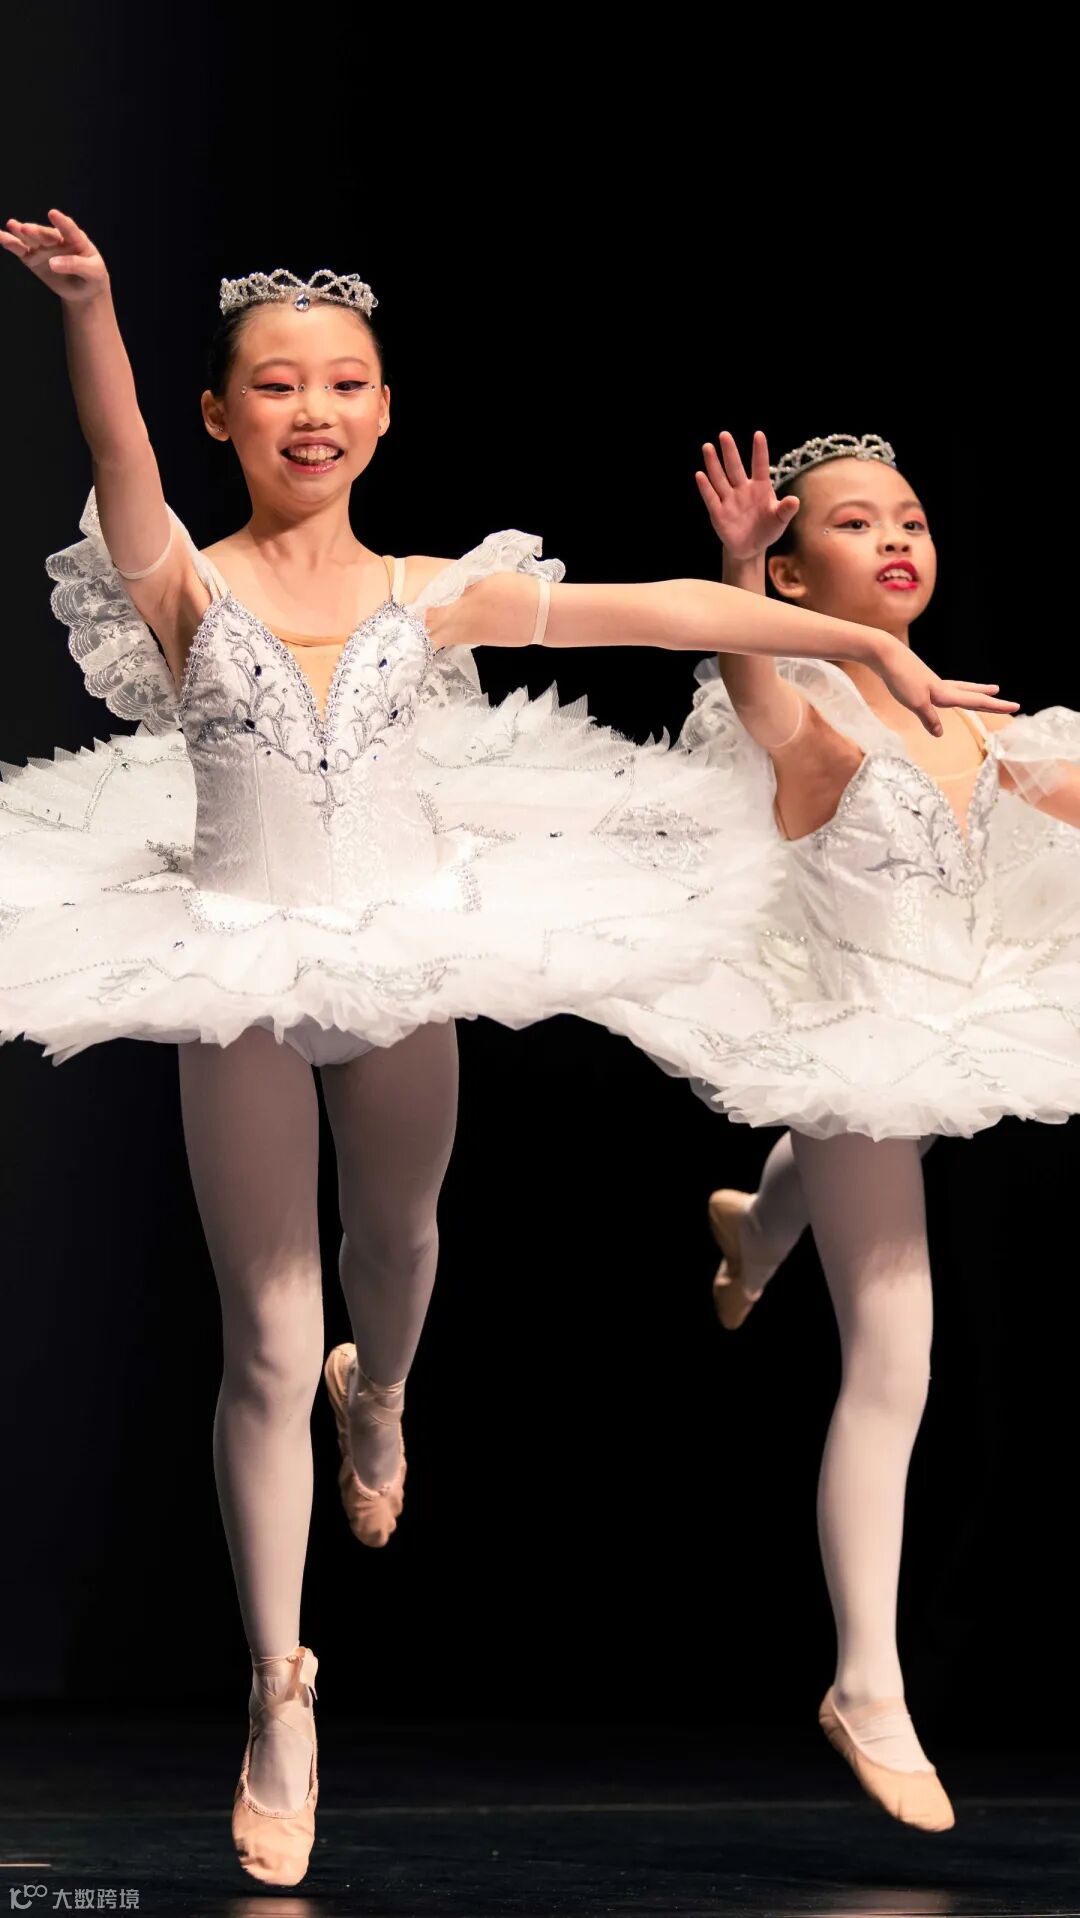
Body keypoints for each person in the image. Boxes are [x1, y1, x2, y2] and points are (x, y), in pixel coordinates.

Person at [0, 213, 1015, 1886]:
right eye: (276, 385)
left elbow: (647, 609)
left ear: (384, 410)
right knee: (269, 1333)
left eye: (343, 383)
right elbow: (114, 457)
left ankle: (385, 1393)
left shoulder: (432, 592)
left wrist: (856, 639)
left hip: (408, 944)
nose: (312, 411)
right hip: (233, 958)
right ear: (221, 413)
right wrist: (91, 309)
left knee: (395, 1249)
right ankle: (280, 1690)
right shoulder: (181, 581)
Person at [596, 429, 1080, 1832]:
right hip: (852, 1027)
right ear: (802, 574)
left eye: (910, 516)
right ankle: (866, 1682)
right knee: (897, 1350)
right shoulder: (808, 721)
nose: (898, 538)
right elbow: (750, 680)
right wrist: (739, 568)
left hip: (956, 1019)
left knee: (876, 1146)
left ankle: (758, 1225)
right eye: (857, 524)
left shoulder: (988, 728)